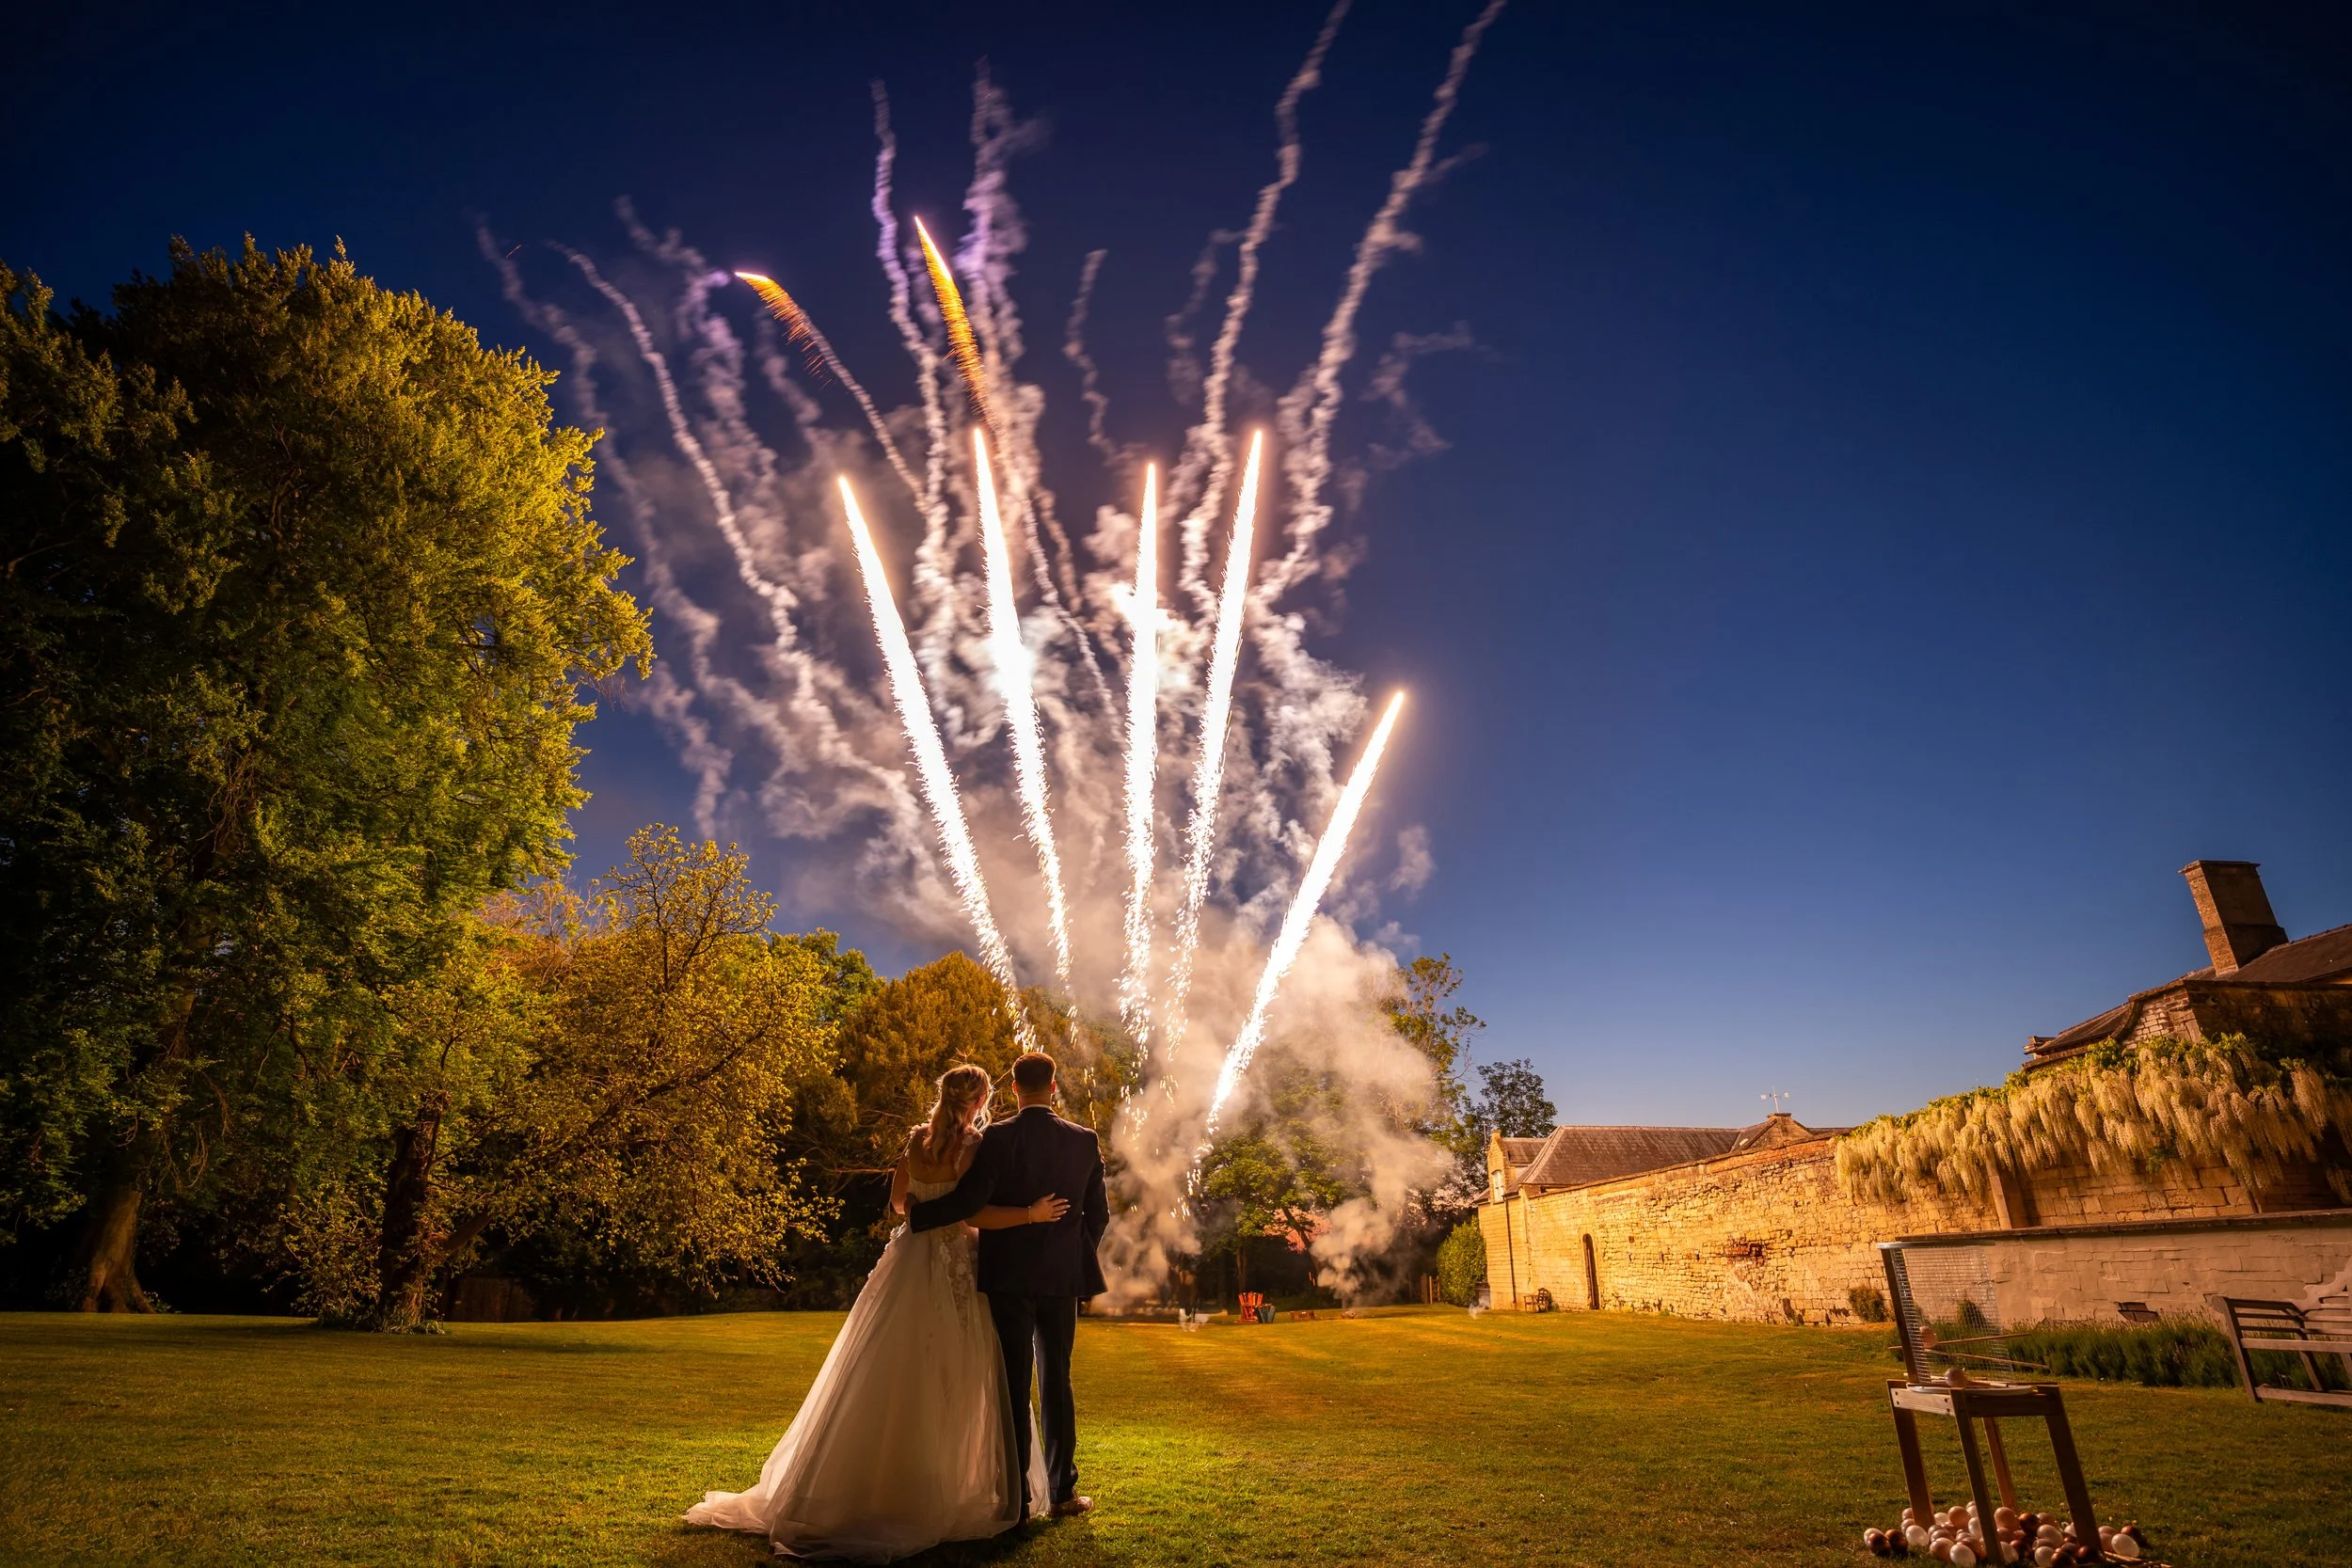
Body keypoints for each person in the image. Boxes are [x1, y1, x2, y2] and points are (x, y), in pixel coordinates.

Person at [683, 1063, 1063, 1562]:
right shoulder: (974, 1146)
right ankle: (951, 1486)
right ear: (980, 1100)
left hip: (910, 1260)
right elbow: (971, 1212)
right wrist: (1028, 1215)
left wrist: (925, 1216)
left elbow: (900, 1203)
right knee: (963, 1373)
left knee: (895, 1368)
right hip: (957, 1266)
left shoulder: (915, 1141)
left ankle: (887, 1479)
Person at [908, 1049, 1109, 1521]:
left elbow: (970, 1200)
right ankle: (1062, 1492)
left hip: (1008, 1277)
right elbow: (1097, 1214)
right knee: (1057, 1380)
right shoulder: (1083, 1141)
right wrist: (1071, 1256)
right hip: (1060, 1279)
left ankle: (1016, 1498)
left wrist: (920, 1216)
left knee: (1014, 1383)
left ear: (1015, 1089)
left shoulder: (997, 1138)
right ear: (1053, 1087)